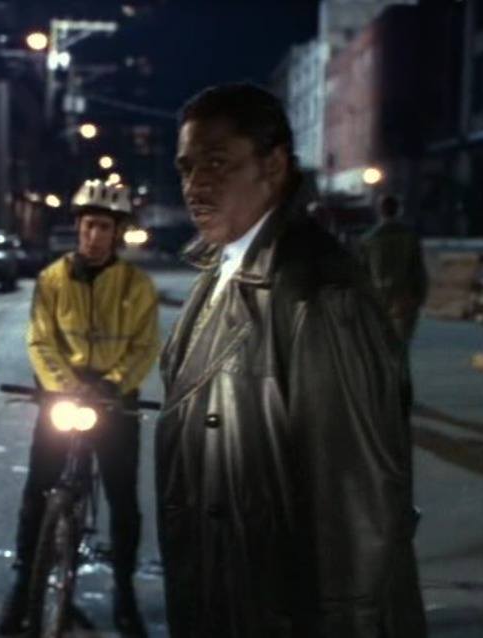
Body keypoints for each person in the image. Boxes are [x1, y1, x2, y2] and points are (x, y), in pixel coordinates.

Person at [156, 83, 425, 638]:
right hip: (227, 596)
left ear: (274, 166)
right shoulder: (219, 274)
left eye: (217, 163)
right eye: (186, 167)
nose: (195, 184)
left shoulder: (317, 296)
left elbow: (356, 508)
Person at [0, 179, 159, 637]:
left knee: (122, 498)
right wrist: (64, 386)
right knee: (38, 488)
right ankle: (23, 581)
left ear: (117, 232)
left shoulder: (136, 285)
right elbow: (40, 339)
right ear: (78, 227)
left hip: (112, 397)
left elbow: (144, 346)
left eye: (104, 227)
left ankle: (124, 590)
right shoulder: (52, 279)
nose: (94, 236)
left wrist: (112, 383)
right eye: (88, 225)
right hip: (63, 395)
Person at [359, 194, 428, 348]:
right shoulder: (409, 236)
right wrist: (420, 295)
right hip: (404, 294)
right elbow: (417, 268)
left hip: (378, 295)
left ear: (380, 210)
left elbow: (363, 272)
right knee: (401, 341)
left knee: (380, 342)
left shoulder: (369, 239)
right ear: (398, 210)